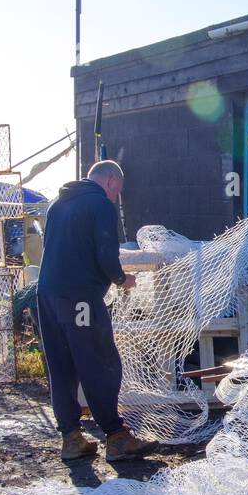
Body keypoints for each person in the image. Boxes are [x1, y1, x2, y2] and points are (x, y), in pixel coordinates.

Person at [36, 160, 156, 461]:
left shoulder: (57, 205)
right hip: (80, 299)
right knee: (98, 361)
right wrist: (121, 279)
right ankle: (116, 436)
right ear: (112, 182)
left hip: (47, 296)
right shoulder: (100, 205)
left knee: (62, 367)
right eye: (118, 192)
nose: (116, 197)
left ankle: (71, 437)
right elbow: (105, 253)